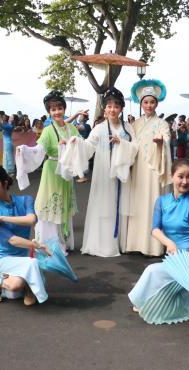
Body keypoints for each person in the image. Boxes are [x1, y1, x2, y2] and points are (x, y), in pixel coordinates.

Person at [128, 159, 189, 323]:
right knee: (161, 275)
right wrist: (169, 243)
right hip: (173, 259)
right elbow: (155, 229)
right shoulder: (162, 201)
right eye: (180, 177)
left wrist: (186, 261)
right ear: (172, 177)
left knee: (153, 271)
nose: (185, 182)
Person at [69, 87, 137, 257]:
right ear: (105, 108)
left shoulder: (128, 127)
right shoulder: (99, 128)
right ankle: (104, 245)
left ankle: (121, 243)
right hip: (104, 175)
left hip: (123, 176)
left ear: (121, 108)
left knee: (121, 205)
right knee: (105, 206)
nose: (112, 109)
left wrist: (122, 143)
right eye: (109, 106)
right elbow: (88, 146)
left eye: (116, 106)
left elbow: (136, 148)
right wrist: (76, 142)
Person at [15, 91, 81, 252]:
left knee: (63, 204)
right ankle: (50, 244)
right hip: (52, 170)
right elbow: (39, 150)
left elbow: (82, 145)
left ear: (64, 109)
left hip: (66, 172)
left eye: (59, 108)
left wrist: (73, 143)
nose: (57, 112)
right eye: (52, 109)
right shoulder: (48, 130)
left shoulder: (72, 128)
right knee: (51, 204)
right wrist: (24, 150)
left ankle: (63, 241)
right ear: (49, 112)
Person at [0, 166, 49, 306]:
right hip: (1, 259)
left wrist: (2, 218)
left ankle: (29, 288)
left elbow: (31, 220)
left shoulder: (26, 200)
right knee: (16, 285)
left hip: (22, 256)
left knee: (27, 272)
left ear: (5, 183)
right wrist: (37, 245)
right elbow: (12, 240)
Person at [125, 79, 172, 257]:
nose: (149, 105)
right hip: (137, 169)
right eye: (146, 102)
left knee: (153, 203)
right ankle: (135, 243)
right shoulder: (134, 124)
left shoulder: (162, 124)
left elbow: (167, 139)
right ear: (141, 103)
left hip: (153, 170)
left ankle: (154, 246)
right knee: (137, 203)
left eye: (152, 102)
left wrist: (162, 142)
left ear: (157, 103)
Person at [0, 112, 17, 176]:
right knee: (6, 157)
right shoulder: (8, 124)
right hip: (7, 143)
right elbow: (1, 121)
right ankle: (7, 171)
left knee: (9, 157)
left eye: (11, 117)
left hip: (8, 143)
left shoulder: (10, 126)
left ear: (13, 119)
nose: (10, 117)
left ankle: (11, 171)